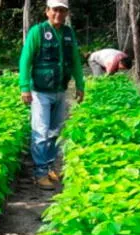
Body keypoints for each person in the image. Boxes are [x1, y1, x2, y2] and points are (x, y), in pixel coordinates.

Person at [19, 0, 85, 190]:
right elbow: (25, 60)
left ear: (66, 13)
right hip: (40, 92)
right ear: (47, 11)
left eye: (62, 10)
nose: (58, 14)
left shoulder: (68, 33)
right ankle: (39, 173)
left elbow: (75, 61)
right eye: (55, 10)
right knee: (40, 132)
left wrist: (80, 85)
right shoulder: (37, 32)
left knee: (55, 131)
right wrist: (24, 87)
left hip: (60, 90)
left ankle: (48, 167)